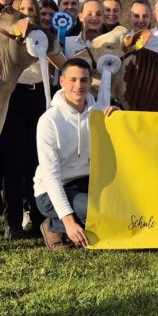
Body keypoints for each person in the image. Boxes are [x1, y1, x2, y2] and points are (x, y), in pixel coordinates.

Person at [33, 58, 116, 249]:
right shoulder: (49, 121)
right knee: (96, 213)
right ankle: (55, 226)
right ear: (62, 81)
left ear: (90, 82)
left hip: (89, 183)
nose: (79, 86)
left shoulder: (100, 113)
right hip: (53, 189)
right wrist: (69, 221)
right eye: (73, 80)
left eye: (84, 80)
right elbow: (51, 177)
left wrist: (119, 119)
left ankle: (60, 226)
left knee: (119, 209)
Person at [0, 0, 45, 238]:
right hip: (14, 96)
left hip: (38, 97)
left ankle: (39, 220)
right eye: (23, 9)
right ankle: (13, 222)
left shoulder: (42, 36)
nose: (27, 14)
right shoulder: (7, 35)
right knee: (13, 163)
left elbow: (58, 62)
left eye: (32, 10)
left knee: (36, 162)